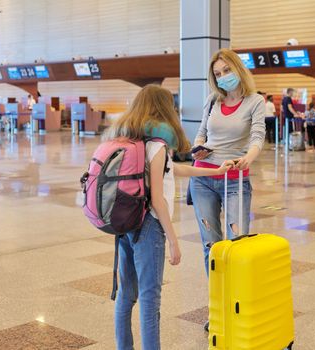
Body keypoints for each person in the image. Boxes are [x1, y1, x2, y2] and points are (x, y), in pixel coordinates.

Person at [106, 85, 235, 350]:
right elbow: (157, 200)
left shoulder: (131, 141)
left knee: (126, 296)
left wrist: (213, 171)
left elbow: (171, 169)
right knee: (150, 300)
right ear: (164, 108)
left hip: (124, 223)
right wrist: (174, 240)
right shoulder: (158, 144)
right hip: (149, 226)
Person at [190, 48, 265, 283]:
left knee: (236, 245)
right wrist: (198, 147)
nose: (223, 77)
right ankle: (217, 307)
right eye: (218, 73)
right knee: (211, 245)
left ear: (238, 69)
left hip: (234, 179)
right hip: (202, 177)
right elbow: (201, 133)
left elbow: (257, 137)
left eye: (227, 70)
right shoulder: (212, 100)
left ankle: (236, 305)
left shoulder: (255, 101)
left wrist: (248, 159)